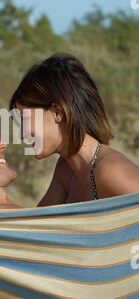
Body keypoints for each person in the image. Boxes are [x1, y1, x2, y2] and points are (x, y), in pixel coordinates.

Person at [9, 52, 139, 206]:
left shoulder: (110, 171)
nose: (21, 135)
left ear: (58, 112)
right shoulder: (67, 170)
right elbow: (35, 224)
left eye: (24, 119)